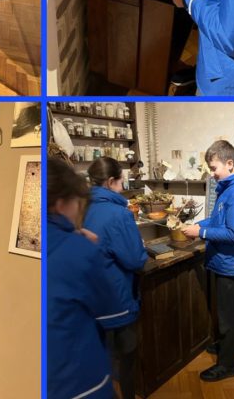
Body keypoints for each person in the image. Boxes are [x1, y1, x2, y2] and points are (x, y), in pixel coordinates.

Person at [48, 158, 123, 399]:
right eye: (76, 203)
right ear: (61, 204)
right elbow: (110, 309)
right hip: (83, 381)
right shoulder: (80, 249)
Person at [182, 140, 234, 382]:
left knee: (227, 317)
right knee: (227, 312)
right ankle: (230, 346)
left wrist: (201, 232)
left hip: (230, 263)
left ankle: (227, 365)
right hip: (224, 260)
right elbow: (218, 221)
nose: (212, 174)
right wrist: (197, 226)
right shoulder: (228, 187)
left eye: (214, 168)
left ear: (230, 163)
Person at [82, 157, 148, 399]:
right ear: (111, 182)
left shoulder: (79, 209)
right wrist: (140, 248)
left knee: (101, 362)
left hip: (90, 300)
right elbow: (135, 259)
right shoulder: (119, 214)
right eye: (121, 181)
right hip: (116, 300)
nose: (123, 186)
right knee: (126, 360)